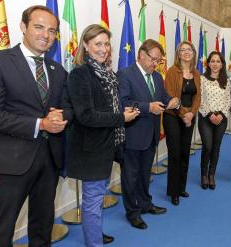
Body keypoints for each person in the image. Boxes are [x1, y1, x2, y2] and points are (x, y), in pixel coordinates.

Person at [0, 5, 68, 246]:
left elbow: (68, 107)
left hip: (49, 160)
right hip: (11, 161)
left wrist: (61, 115)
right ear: (23, 27)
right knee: (2, 230)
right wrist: (40, 123)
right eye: (39, 27)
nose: (45, 35)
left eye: (52, 30)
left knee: (43, 225)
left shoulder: (59, 71)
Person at [65, 24, 139, 246]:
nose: (103, 48)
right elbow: (86, 116)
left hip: (107, 145)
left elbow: (106, 108)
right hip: (91, 150)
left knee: (96, 199)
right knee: (93, 200)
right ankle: (94, 242)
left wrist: (121, 113)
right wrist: (120, 118)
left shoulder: (107, 73)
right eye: (97, 44)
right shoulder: (79, 74)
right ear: (86, 46)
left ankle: (94, 233)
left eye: (106, 43)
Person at [117, 39, 179, 229]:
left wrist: (173, 101)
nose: (156, 63)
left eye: (159, 61)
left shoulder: (158, 77)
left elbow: (162, 98)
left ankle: (145, 204)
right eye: (153, 59)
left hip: (151, 134)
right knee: (130, 177)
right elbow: (123, 102)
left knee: (145, 174)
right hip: (132, 134)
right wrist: (147, 107)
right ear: (141, 55)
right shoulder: (125, 74)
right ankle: (132, 212)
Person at [164, 41, 201, 205]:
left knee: (185, 152)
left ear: (193, 53)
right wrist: (184, 114)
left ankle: (181, 187)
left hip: (189, 118)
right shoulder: (172, 72)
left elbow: (197, 97)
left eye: (189, 50)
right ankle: (173, 192)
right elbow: (171, 95)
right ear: (178, 54)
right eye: (183, 50)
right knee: (175, 154)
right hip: (173, 116)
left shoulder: (196, 73)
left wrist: (192, 113)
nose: (186, 52)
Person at [198, 51, 231, 190]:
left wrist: (221, 115)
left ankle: (211, 175)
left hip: (221, 119)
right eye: (212, 61)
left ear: (222, 64)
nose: (215, 64)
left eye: (218, 61)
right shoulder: (201, 79)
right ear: (208, 63)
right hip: (206, 117)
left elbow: (228, 100)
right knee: (208, 146)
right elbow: (199, 99)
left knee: (216, 148)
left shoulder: (227, 81)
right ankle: (203, 175)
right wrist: (210, 114)